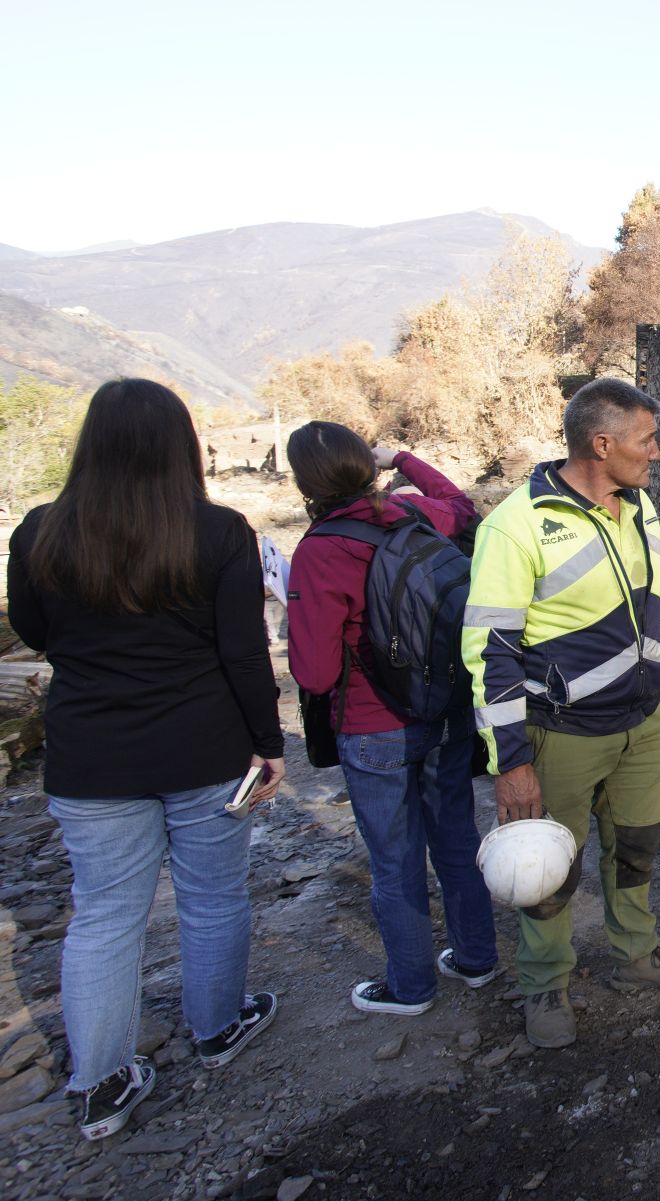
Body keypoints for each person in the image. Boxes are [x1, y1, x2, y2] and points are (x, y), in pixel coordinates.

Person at [7, 379, 280, 1140]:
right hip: (207, 750)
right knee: (214, 898)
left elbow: (34, 631)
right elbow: (244, 651)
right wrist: (270, 742)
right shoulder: (220, 532)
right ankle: (219, 1027)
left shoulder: (39, 533)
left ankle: (100, 1083)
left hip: (90, 759)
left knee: (102, 916)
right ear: (179, 445)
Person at [461, 378, 660, 1050]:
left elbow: (650, 602)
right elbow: (490, 651)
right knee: (550, 864)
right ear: (601, 444)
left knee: (636, 844)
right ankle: (545, 980)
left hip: (643, 721)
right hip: (560, 734)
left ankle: (636, 956)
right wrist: (510, 760)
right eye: (645, 440)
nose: (656, 453)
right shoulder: (514, 526)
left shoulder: (641, 506)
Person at [286, 423, 498, 1015]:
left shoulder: (321, 549)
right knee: (456, 838)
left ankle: (411, 986)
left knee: (395, 858)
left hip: (371, 726)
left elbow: (315, 674)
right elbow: (462, 505)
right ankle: (477, 956)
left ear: (305, 482)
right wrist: (404, 457)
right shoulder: (413, 513)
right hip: (448, 708)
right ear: (368, 467)